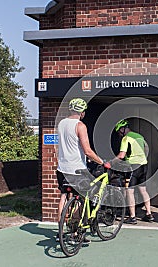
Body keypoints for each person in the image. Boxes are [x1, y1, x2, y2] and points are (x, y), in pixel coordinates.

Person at [56, 98, 104, 242]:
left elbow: (70, 145)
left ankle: (60, 231)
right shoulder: (80, 125)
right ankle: (75, 234)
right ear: (82, 112)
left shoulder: (61, 123)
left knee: (64, 197)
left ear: (71, 109)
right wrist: (102, 162)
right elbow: (87, 151)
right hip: (76, 169)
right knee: (82, 199)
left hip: (62, 168)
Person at [113, 119, 154, 224]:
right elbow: (146, 148)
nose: (119, 134)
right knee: (143, 190)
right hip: (143, 165)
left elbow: (121, 155)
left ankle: (132, 217)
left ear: (123, 129)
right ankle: (149, 214)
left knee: (130, 191)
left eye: (119, 132)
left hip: (133, 166)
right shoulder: (139, 136)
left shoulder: (126, 138)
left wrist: (111, 162)